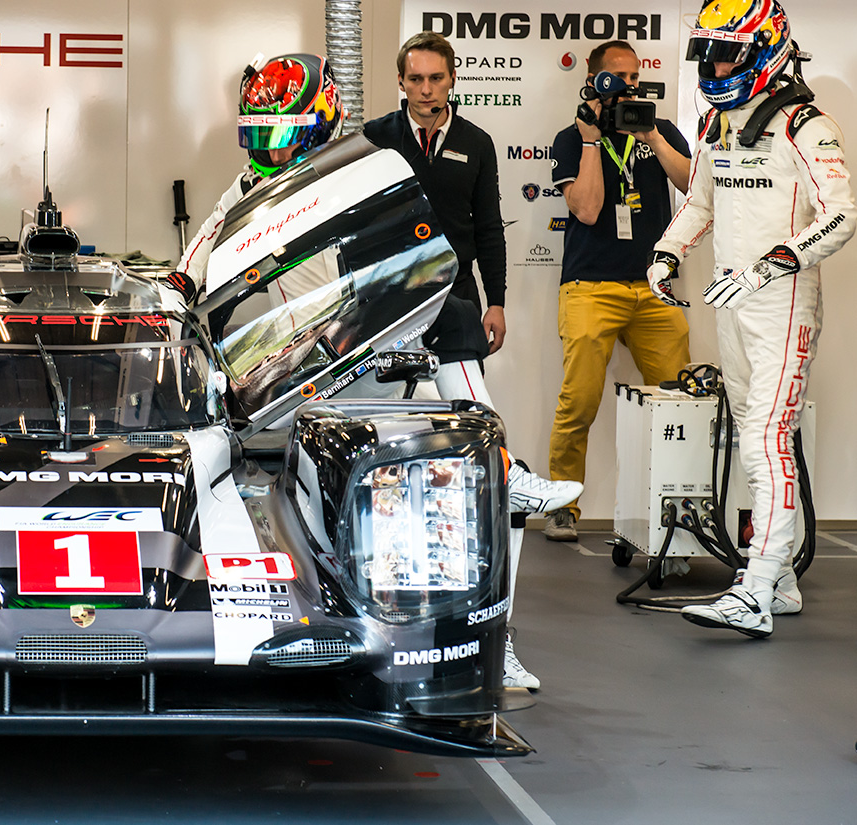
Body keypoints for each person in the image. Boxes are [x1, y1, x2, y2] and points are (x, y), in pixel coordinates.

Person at [178, 52, 580, 689]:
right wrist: (175, 288)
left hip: (370, 350)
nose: (270, 149)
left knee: (473, 442)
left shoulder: (354, 174)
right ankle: (508, 471)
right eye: (258, 133)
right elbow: (196, 254)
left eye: (282, 134)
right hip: (298, 370)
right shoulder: (245, 191)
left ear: (318, 126)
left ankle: (498, 635)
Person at [653, 0, 852, 637]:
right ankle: (783, 580)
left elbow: (843, 213)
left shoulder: (806, 124)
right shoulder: (718, 123)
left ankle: (756, 588)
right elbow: (700, 203)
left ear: (764, 48)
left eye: (727, 52)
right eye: (707, 52)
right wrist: (667, 251)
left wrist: (776, 261)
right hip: (730, 299)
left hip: (783, 300)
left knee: (767, 441)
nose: (714, 63)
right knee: (752, 436)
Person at [543, 40, 693, 542]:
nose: (629, 85)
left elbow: (693, 185)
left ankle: (681, 504)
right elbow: (586, 210)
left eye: (634, 76)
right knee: (579, 400)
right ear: (594, 79)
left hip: (653, 286)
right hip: (591, 286)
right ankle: (564, 504)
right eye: (618, 77)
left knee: (681, 397)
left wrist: (648, 131)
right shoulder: (570, 137)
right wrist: (591, 140)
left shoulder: (661, 129)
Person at [363, 31, 508, 357]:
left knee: (463, 396)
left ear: (452, 78)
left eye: (436, 78)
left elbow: (489, 228)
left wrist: (496, 302)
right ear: (401, 82)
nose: (426, 90)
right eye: (415, 79)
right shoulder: (375, 137)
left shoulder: (477, 143)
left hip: (457, 291)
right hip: (389, 294)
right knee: (392, 400)